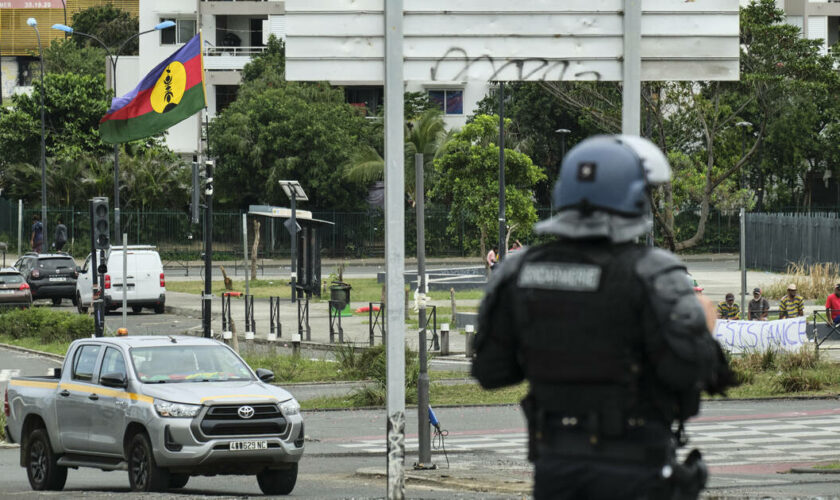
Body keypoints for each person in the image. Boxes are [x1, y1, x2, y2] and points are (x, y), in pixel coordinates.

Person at [472, 135, 735, 500]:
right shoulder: (652, 273)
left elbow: (490, 371)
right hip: (636, 468)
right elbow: (691, 372)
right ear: (635, 198)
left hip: (556, 466)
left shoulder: (519, 272)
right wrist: (704, 326)